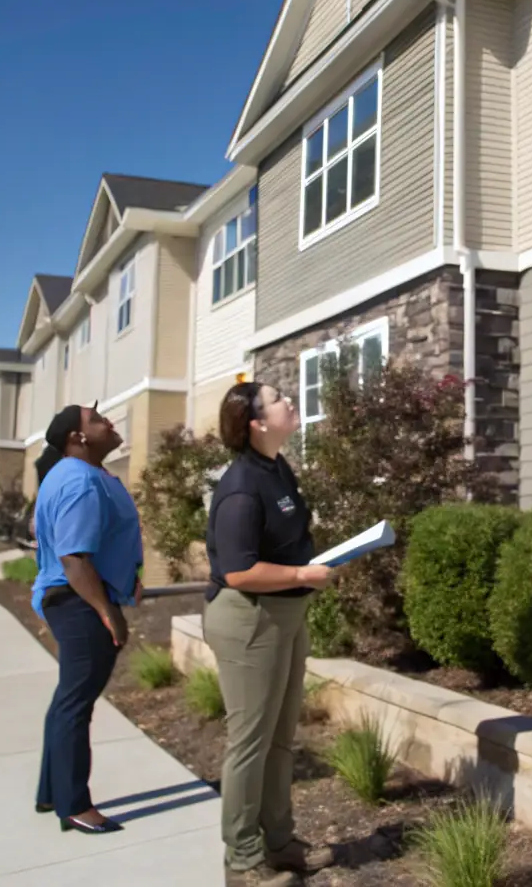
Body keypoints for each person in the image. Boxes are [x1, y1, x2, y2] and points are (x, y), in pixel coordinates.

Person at [203, 379, 338, 886]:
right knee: (250, 744)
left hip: (286, 614)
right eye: (279, 399)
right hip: (249, 619)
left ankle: (279, 843)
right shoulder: (241, 487)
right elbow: (238, 571)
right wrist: (303, 574)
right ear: (257, 423)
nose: (290, 402)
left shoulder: (277, 468)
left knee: (281, 739)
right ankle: (242, 862)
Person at [31, 402, 143, 834]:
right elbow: (74, 558)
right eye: (96, 420)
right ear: (76, 438)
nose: (108, 422)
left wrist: (127, 580)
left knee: (68, 698)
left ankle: (52, 791)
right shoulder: (79, 481)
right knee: (75, 704)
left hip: (76, 597)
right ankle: (74, 805)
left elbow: (102, 542)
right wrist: (107, 612)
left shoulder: (86, 474)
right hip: (77, 601)